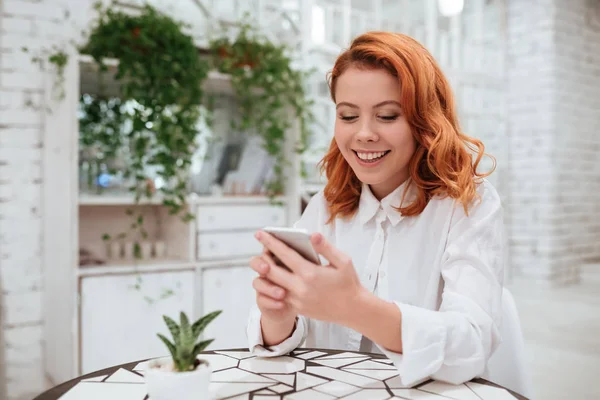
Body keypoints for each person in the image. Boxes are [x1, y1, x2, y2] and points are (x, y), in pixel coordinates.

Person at [246, 31, 505, 387]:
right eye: (348, 116)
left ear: (425, 122)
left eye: (387, 116)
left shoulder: (467, 204)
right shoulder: (328, 204)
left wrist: (355, 308)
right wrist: (277, 316)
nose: (364, 134)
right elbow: (285, 337)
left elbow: (471, 341)